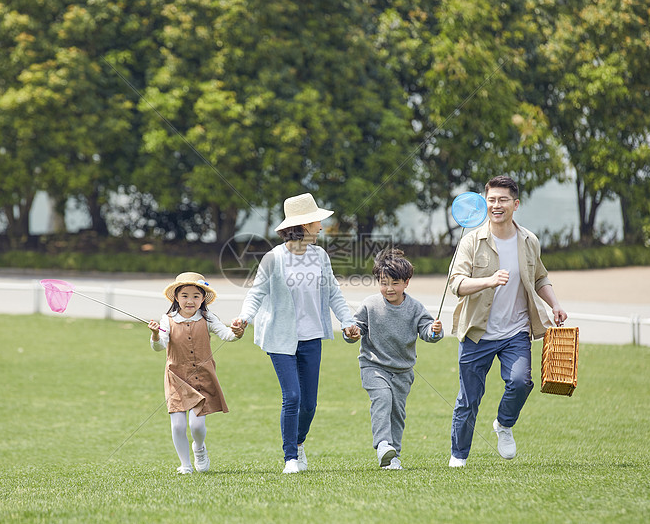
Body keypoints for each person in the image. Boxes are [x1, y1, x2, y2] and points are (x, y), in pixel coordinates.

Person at [232, 192, 361, 474]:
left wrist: (348, 322)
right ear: (303, 226)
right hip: (280, 337)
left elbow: (333, 295)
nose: (321, 226)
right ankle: (290, 457)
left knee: (310, 404)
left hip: (312, 337)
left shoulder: (320, 256)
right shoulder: (273, 259)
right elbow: (256, 294)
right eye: (316, 222)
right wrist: (243, 318)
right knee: (292, 396)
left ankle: (299, 443)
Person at [447, 175, 567, 467]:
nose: (496, 205)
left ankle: (504, 424)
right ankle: (458, 456)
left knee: (520, 382)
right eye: (491, 200)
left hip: (516, 330)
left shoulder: (528, 240)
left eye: (502, 200)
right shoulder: (471, 241)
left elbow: (539, 277)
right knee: (468, 400)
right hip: (477, 331)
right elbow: (456, 283)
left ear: (515, 204)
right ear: (484, 202)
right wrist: (488, 281)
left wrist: (555, 304)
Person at [345, 248, 443, 470]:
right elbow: (355, 329)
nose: (389, 288)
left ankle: (393, 457)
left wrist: (435, 331)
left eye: (395, 283)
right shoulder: (370, 304)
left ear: (407, 282)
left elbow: (428, 332)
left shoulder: (416, 308)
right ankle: (382, 444)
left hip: (403, 372)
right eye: (383, 282)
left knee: (397, 414)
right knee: (382, 399)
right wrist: (351, 333)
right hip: (373, 366)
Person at [149, 272, 244, 475]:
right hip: (176, 377)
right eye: (184, 295)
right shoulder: (167, 321)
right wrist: (156, 334)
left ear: (202, 299)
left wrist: (236, 332)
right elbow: (159, 347)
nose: (190, 300)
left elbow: (227, 335)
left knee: (197, 426)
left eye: (195, 296)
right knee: (178, 426)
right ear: (176, 297)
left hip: (202, 377)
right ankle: (185, 465)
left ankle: (199, 448)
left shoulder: (208, 318)